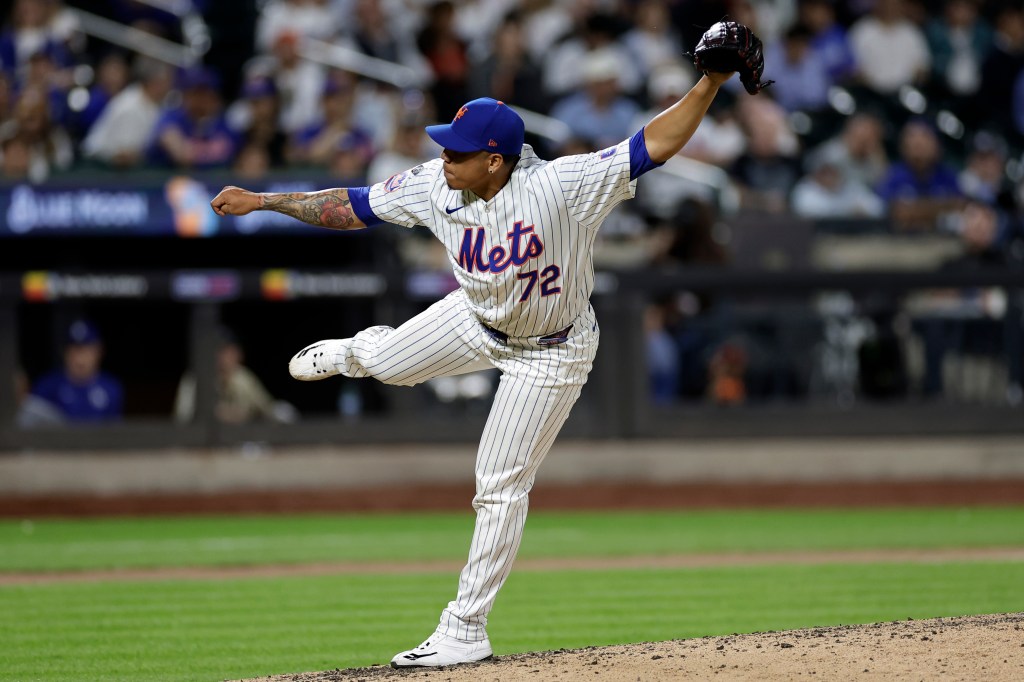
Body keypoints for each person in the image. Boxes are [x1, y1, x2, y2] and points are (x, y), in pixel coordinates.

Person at [212, 55, 739, 668]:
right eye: (444, 148)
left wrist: (711, 82)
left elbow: (656, 144)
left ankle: (464, 628)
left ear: (495, 160)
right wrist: (265, 200)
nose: (444, 159)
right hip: (475, 317)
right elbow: (350, 205)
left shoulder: (560, 187)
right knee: (389, 363)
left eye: (457, 152)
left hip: (552, 351)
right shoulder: (435, 186)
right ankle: (356, 353)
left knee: (499, 487)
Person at [174, 325, 297, 424]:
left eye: (231, 351)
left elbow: (267, 409)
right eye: (222, 351)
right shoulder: (194, 379)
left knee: (285, 411)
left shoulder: (242, 377)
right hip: (204, 440)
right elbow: (182, 418)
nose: (228, 357)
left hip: (242, 437)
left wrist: (242, 414)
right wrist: (213, 413)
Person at [27, 318, 123, 423]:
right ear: (64, 353)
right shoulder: (46, 386)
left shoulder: (111, 388)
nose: (80, 359)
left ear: (99, 352)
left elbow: (114, 434)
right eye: (75, 351)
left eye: (86, 351)